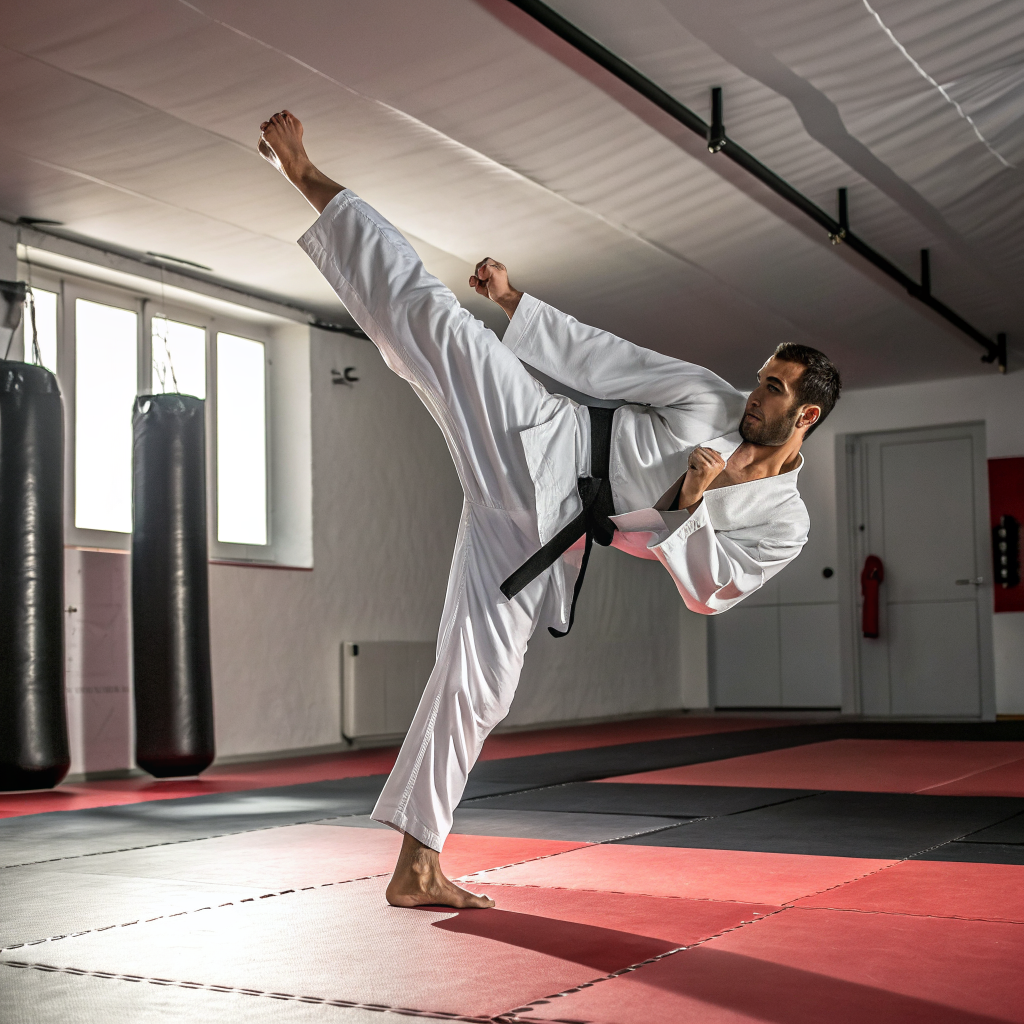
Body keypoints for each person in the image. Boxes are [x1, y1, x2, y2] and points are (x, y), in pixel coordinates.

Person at [258, 110, 842, 909]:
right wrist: (513, 302)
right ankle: (309, 177)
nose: (755, 394)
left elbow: (714, 592)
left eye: (774, 389)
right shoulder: (709, 395)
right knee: (438, 328)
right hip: (544, 438)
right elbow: (610, 361)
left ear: (805, 416)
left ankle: (416, 865)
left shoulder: (787, 521)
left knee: (481, 682)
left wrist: (692, 506)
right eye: (762, 377)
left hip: (545, 533)